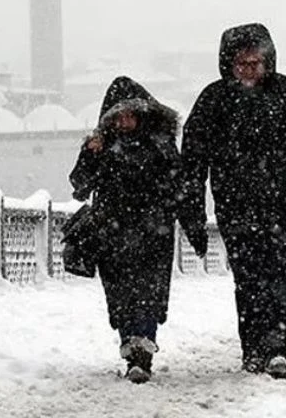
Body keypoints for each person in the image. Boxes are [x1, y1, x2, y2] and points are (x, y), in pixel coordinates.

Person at [181, 23, 286, 380]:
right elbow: (192, 160)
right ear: (229, 64)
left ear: (268, 61)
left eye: (255, 63)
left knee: (277, 273)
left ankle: (276, 348)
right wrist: (192, 209)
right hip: (234, 205)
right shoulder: (214, 101)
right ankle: (253, 349)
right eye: (242, 64)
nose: (249, 70)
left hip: (282, 203)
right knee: (247, 276)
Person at [68, 76, 207, 384]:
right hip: (112, 234)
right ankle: (131, 345)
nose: (126, 121)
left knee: (149, 293)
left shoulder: (161, 146)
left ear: (144, 114)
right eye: (119, 116)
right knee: (120, 295)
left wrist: (194, 227)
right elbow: (79, 185)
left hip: (153, 234)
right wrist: (91, 154)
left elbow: (181, 189)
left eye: (131, 114)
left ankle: (141, 350)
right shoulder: (101, 147)